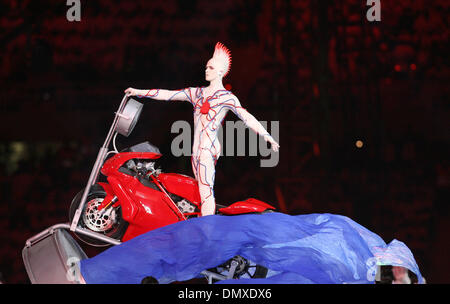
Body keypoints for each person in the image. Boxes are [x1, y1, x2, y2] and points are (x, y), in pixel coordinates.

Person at [125, 42, 280, 216]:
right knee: (199, 192)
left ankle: (208, 231)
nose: (206, 70)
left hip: (208, 148)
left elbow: (247, 117)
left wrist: (268, 137)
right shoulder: (196, 93)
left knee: (206, 192)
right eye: (206, 66)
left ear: (220, 71)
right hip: (196, 150)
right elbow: (168, 94)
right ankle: (202, 224)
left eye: (211, 67)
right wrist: (138, 91)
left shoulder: (227, 98)